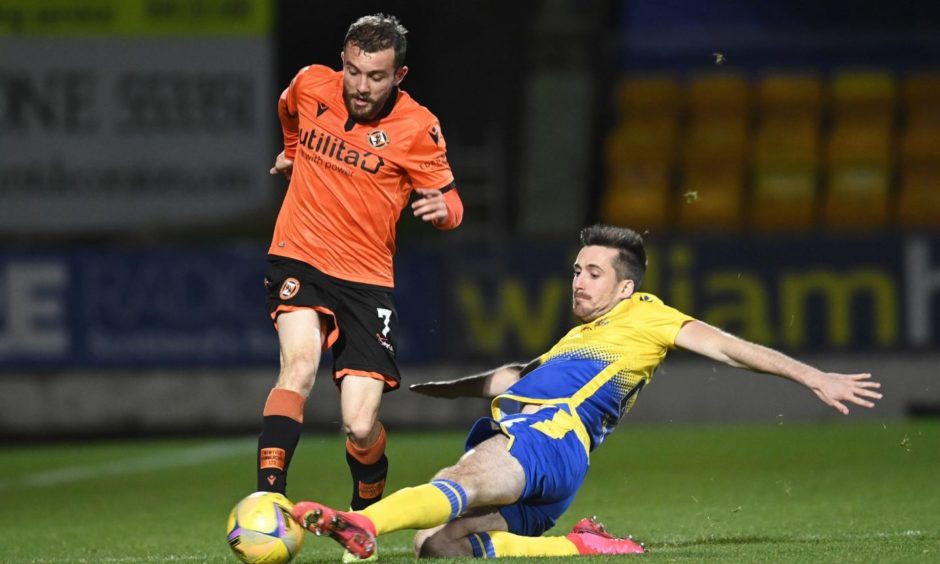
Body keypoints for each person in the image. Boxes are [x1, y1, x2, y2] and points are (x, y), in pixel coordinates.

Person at [286, 224, 883, 560]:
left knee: (461, 483)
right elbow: (511, 378)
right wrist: (448, 391)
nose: (579, 279)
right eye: (576, 269)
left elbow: (729, 347)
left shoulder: (648, 315)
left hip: (548, 439)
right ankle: (579, 547)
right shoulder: (575, 340)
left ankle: (359, 522)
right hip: (539, 452)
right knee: (434, 546)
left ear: (627, 288)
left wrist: (813, 376)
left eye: (593, 272)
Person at [258, 11, 463, 520]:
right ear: (342, 62)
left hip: (366, 282)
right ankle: (269, 497)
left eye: (375, 76)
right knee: (298, 365)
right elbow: (287, 112)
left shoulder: (418, 127)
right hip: (298, 254)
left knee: (360, 422)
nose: (361, 86)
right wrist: (291, 153)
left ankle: (361, 521)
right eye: (353, 71)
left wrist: (443, 213)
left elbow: (453, 203)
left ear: (399, 76)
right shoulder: (311, 85)